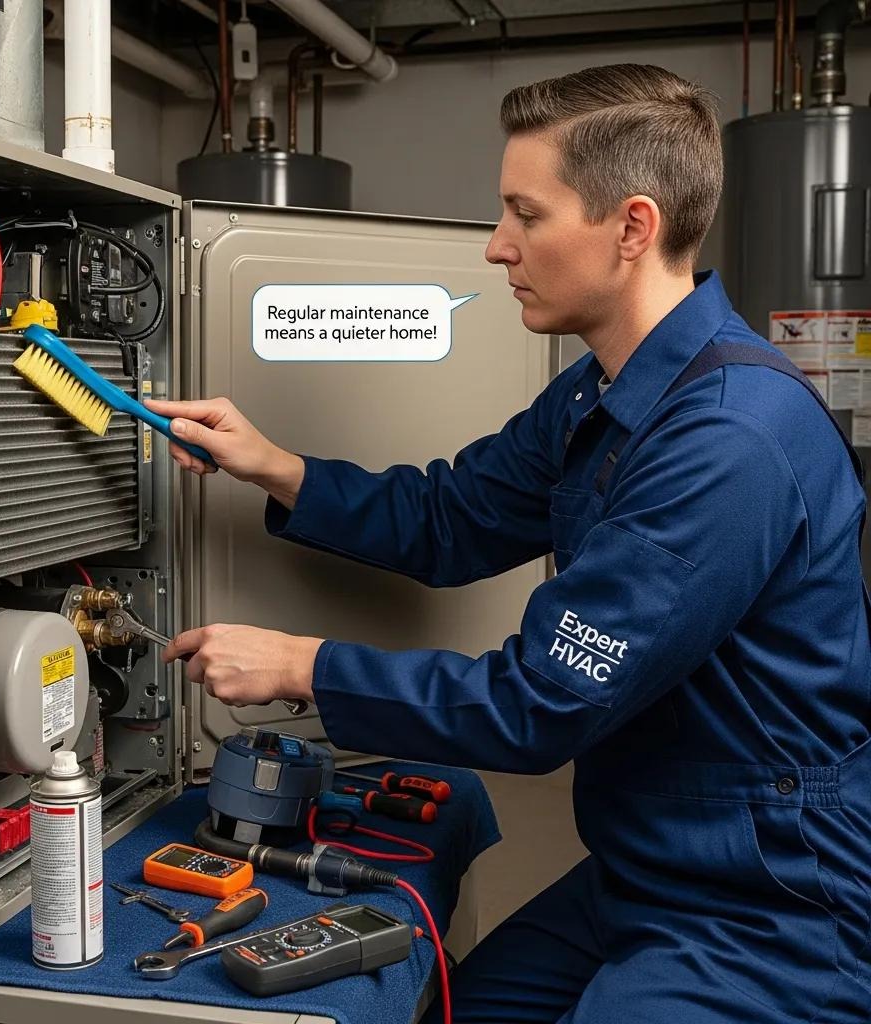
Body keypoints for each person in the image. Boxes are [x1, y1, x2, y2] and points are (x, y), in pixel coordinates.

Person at [145, 64, 871, 1022]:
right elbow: (450, 518)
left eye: (526, 214)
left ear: (633, 227)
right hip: (645, 868)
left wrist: (300, 666)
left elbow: (540, 704)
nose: (497, 246)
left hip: (769, 903)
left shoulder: (729, 438)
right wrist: (276, 468)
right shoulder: (603, 391)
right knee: (457, 1006)